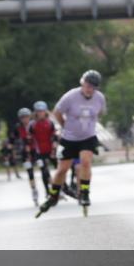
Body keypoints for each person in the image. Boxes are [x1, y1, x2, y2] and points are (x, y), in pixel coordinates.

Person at [37, 69, 106, 215]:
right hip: (69, 138)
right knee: (63, 169)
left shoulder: (99, 98)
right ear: (82, 83)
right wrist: (64, 126)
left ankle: (85, 193)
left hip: (88, 137)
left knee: (85, 162)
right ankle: (53, 195)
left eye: (93, 87)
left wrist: (90, 125)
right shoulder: (70, 96)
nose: (90, 90)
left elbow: (100, 112)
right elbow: (56, 112)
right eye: (87, 86)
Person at [28, 100, 59, 207]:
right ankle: (47, 191)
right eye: (38, 111)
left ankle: (61, 188)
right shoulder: (32, 124)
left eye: (42, 111)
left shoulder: (50, 123)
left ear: (45, 112)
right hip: (39, 152)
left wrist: (55, 147)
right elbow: (29, 139)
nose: (40, 113)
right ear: (35, 112)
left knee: (59, 170)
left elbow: (54, 136)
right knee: (44, 171)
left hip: (51, 150)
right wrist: (29, 153)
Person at [11, 108, 36, 201]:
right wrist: (12, 151)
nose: (25, 119)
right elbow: (12, 140)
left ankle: (51, 188)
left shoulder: (34, 125)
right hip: (25, 153)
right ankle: (33, 189)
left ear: (30, 117)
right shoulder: (17, 127)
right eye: (22, 118)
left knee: (44, 168)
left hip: (35, 151)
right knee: (30, 171)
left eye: (26, 117)